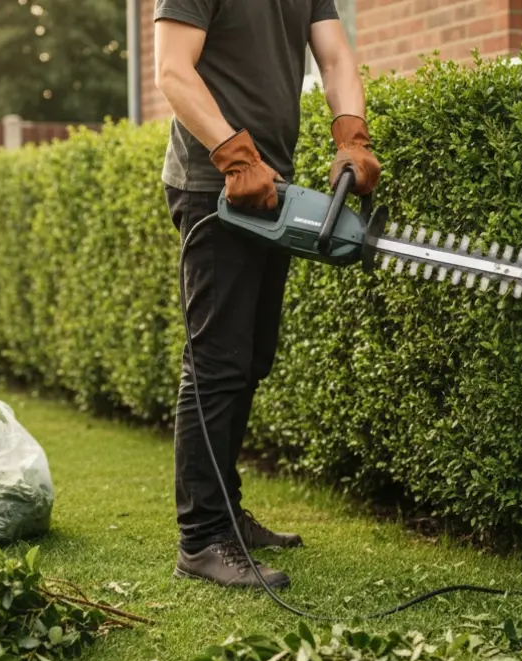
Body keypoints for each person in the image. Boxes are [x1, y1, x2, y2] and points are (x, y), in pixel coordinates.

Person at [153, 0, 381, 589]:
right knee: (216, 364)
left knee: (251, 358)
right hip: (217, 184)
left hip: (271, 186)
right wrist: (233, 153)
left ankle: (225, 513)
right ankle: (202, 538)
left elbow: (335, 58)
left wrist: (352, 133)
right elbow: (173, 70)